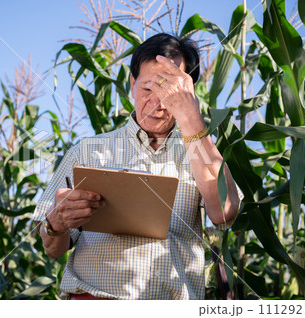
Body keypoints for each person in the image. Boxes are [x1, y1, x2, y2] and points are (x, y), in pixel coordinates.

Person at [33, 33, 240, 300]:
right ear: (132, 84)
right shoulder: (87, 151)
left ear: (188, 93)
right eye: (148, 89)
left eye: (170, 92)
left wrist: (191, 118)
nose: (158, 104)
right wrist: (56, 223)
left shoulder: (200, 151)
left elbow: (224, 213)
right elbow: (53, 248)